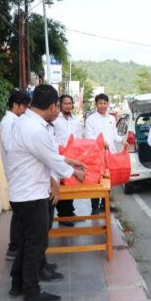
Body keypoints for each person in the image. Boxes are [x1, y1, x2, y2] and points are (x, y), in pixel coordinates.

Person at [5, 85, 85, 301]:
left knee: (27, 241)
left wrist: (69, 162)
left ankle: (17, 283)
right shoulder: (35, 130)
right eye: (57, 106)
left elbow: (48, 155)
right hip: (31, 195)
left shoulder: (24, 121)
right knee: (36, 244)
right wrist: (75, 172)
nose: (57, 111)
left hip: (22, 193)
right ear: (51, 107)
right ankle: (32, 290)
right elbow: (51, 159)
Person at [0, 89, 31, 260]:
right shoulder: (8, 122)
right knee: (18, 214)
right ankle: (13, 248)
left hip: (19, 173)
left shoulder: (15, 120)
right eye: (24, 107)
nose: (26, 110)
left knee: (20, 214)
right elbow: (10, 147)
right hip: (16, 173)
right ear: (15, 105)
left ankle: (17, 246)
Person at [84, 93, 126, 214]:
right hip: (97, 155)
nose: (102, 105)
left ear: (108, 104)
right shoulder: (91, 119)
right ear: (96, 104)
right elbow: (89, 137)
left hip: (110, 154)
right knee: (96, 180)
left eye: (105, 103)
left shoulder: (111, 119)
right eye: (100, 103)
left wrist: (122, 141)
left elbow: (114, 134)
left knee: (108, 179)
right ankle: (94, 207)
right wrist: (101, 143)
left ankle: (105, 204)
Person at [53, 94, 82, 226]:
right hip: (60, 157)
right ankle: (63, 215)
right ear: (60, 105)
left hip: (73, 157)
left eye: (70, 103)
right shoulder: (55, 120)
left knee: (71, 184)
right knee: (62, 185)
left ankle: (70, 212)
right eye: (65, 103)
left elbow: (79, 138)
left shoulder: (76, 120)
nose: (68, 106)